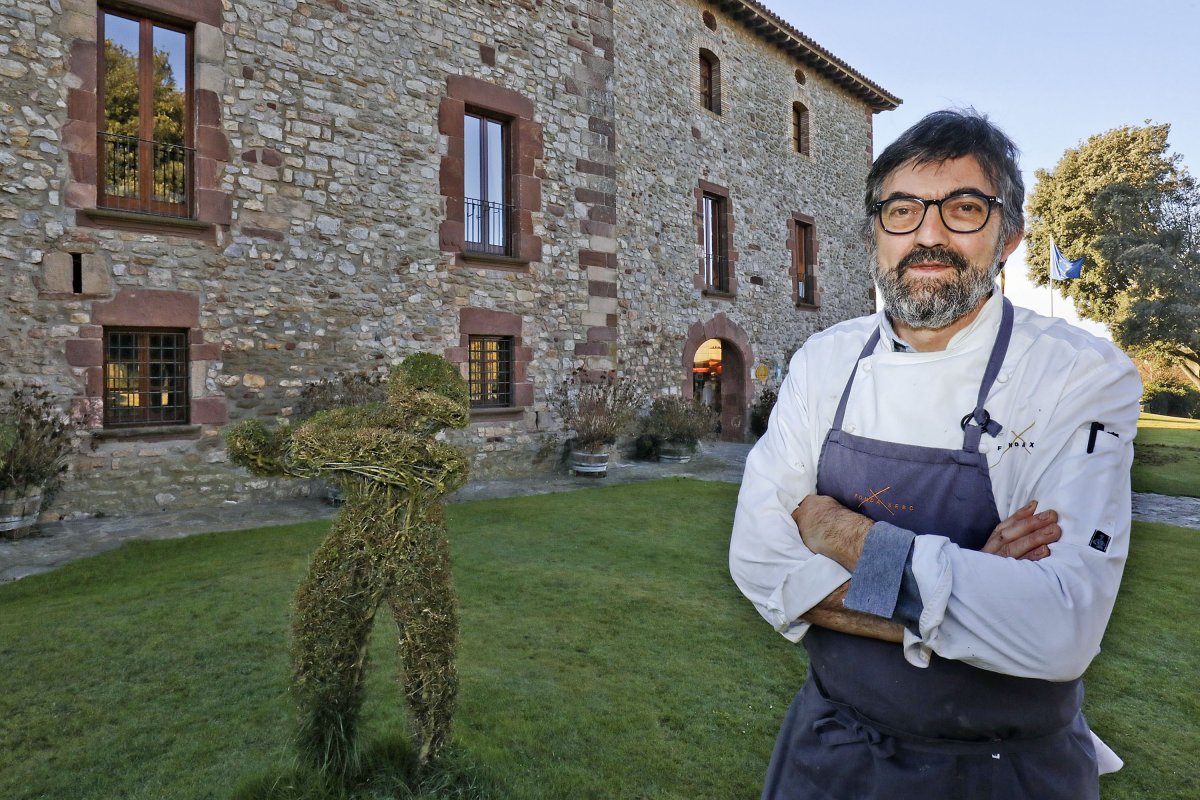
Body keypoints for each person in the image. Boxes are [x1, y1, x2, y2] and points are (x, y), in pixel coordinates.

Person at [729, 109, 1141, 799]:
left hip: (1005, 774)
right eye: (902, 210)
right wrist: (970, 581)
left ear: (1007, 236)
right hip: (829, 755)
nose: (928, 233)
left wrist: (839, 532)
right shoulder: (824, 361)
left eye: (964, 208)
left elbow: (1058, 628)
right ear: (874, 235)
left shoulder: (1080, 375)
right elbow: (754, 557)